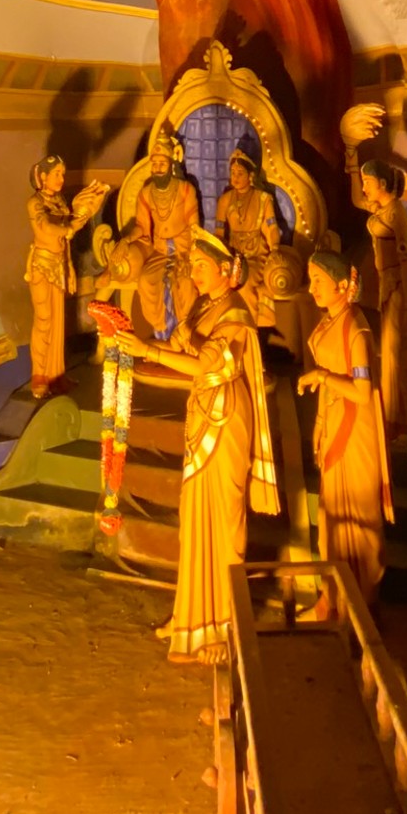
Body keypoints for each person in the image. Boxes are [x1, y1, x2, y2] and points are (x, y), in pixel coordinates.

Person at [120, 228, 279, 663]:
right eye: (193, 266)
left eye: (202, 267)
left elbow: (206, 364)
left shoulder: (237, 317)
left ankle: (225, 627)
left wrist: (148, 351)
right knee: (194, 518)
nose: (195, 273)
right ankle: (191, 614)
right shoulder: (205, 310)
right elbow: (176, 344)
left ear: (226, 272)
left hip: (227, 425)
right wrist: (125, 340)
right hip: (204, 418)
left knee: (225, 524)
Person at [298, 247, 391, 612]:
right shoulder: (327, 323)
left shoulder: (356, 330)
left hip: (358, 432)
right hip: (335, 423)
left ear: (341, 285)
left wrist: (321, 376)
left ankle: (363, 604)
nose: (312, 289)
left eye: (318, 281)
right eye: (311, 281)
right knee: (332, 515)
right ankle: (331, 597)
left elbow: (363, 391)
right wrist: (320, 423)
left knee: (360, 519)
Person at [24, 155, 110, 398]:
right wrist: (68, 229)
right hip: (42, 265)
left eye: (62, 174)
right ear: (42, 177)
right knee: (43, 320)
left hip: (60, 264)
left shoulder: (60, 201)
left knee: (60, 321)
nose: (61, 179)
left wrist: (86, 210)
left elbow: (70, 228)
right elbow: (44, 228)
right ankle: (39, 375)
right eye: (56, 174)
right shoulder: (35, 203)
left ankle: (56, 374)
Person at [353, 157, 407, 433]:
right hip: (386, 284)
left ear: (382, 184)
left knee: (396, 353)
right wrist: (349, 157)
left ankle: (399, 418)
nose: (365, 188)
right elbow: (357, 200)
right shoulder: (380, 209)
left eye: (368, 183)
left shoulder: (396, 213)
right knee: (394, 352)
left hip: (398, 286)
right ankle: (402, 417)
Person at [115, 129, 202, 341]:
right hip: (161, 251)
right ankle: (162, 334)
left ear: (172, 165)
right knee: (146, 280)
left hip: (184, 250)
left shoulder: (185, 190)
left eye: (162, 164)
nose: (157, 168)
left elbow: (194, 227)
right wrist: (126, 240)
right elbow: (142, 228)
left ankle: (185, 336)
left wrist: (193, 255)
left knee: (185, 283)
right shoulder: (146, 193)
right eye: (154, 164)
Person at [215, 148, 282, 328]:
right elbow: (219, 233)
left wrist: (275, 248)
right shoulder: (225, 200)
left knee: (243, 282)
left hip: (255, 256)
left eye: (240, 173)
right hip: (233, 255)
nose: (235, 177)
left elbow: (272, 228)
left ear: (251, 175)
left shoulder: (263, 199)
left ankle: (249, 332)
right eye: (233, 173)